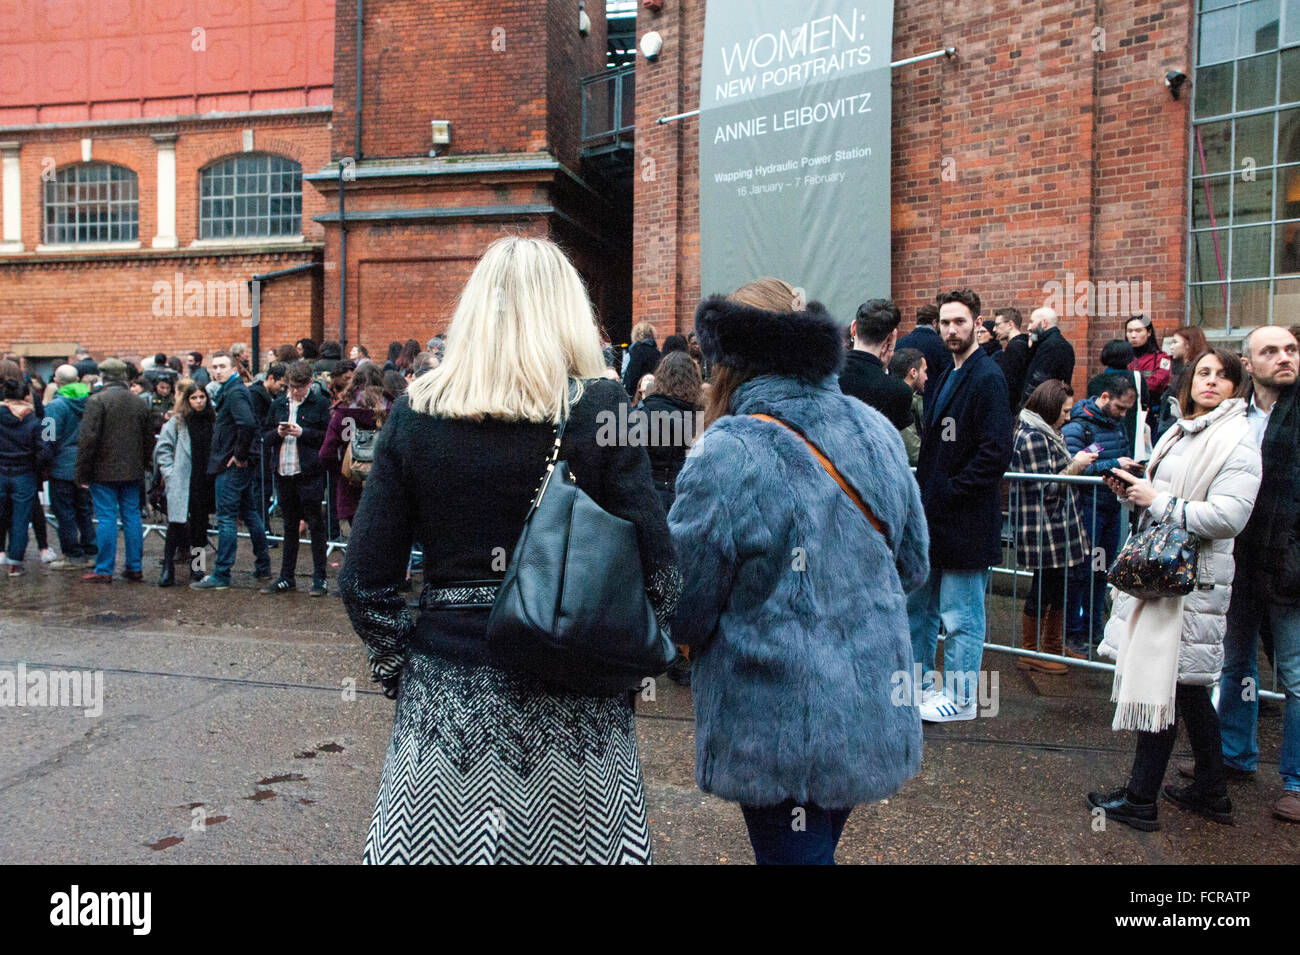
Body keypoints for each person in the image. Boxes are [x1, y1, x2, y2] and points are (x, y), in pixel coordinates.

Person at [340, 236, 679, 864]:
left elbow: (363, 581)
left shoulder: (416, 411)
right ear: (567, 313)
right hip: (578, 707)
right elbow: (661, 575)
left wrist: (401, 668)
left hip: (446, 707)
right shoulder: (605, 407)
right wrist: (621, 660)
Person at [667, 278, 928, 865]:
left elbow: (685, 605)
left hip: (777, 720)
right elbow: (913, 564)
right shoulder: (877, 431)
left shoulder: (727, 451)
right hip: (867, 704)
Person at [1091, 348, 1261, 830]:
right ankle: (1211, 791)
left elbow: (1229, 516)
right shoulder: (1185, 430)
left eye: (1222, 376)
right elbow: (1166, 499)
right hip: (1171, 577)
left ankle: (1141, 799)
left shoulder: (1235, 440)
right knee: (1187, 688)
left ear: (1236, 387)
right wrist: (1136, 488)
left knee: (1162, 680)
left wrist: (1158, 500)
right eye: (1202, 373)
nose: (1210, 382)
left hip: (1192, 582)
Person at [1179, 326, 1300, 823]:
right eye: (1269, 351)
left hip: (1291, 569)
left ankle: (1296, 779)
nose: (1284, 358)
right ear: (1248, 364)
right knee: (1235, 664)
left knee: (1295, 673)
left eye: (1291, 350)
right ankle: (1234, 754)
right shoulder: (1236, 417)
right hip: (1240, 564)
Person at [908, 288, 1013, 722]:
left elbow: (995, 452)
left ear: (977, 323)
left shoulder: (987, 376)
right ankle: (919, 688)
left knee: (961, 614)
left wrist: (950, 491)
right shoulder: (948, 376)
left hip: (966, 520)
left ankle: (963, 698)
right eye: (945, 323)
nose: (952, 330)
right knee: (925, 609)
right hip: (940, 518)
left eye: (960, 322)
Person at [1010, 380, 1097, 673]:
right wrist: (1077, 465)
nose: (1068, 417)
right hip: (1044, 525)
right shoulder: (1032, 436)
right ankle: (1030, 649)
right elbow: (1047, 487)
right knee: (1044, 587)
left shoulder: (1046, 431)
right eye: (1065, 410)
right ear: (1049, 407)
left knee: (1057, 585)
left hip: (1055, 524)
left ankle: (1051, 645)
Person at [1061, 373, 1139, 655]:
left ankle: (1094, 629)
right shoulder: (1079, 426)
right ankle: (1074, 632)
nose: (1123, 414)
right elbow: (1073, 466)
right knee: (1082, 572)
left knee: (1100, 571)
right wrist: (1114, 464)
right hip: (1088, 507)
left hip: (1109, 506)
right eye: (1120, 407)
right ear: (1104, 397)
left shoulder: (1116, 425)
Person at [192, 351, 272, 590]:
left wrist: (239, 455)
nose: (217, 371)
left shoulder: (235, 391)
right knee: (249, 513)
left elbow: (247, 423)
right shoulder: (232, 389)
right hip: (235, 463)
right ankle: (263, 564)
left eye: (222, 366)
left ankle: (222, 573)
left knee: (226, 517)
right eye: (214, 367)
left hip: (231, 465)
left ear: (232, 368)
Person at [75, 358, 152, 583]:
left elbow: (88, 439)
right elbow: (148, 438)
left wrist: (81, 472)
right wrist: (145, 463)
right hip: (133, 469)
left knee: (107, 517)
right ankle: (134, 567)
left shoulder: (97, 401)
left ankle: (104, 569)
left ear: (103, 377)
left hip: (103, 470)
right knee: (132, 516)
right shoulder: (139, 402)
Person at [262, 361, 331, 596]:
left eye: (298, 387)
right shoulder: (278, 404)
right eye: (290, 386)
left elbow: (327, 437)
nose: (293, 391)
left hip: (309, 473)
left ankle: (320, 578)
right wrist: (277, 433)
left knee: (315, 525)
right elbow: (264, 435)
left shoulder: (321, 404)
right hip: (284, 472)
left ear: (309, 384)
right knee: (289, 526)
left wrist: (304, 432)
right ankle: (285, 577)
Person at [153, 381, 216, 586]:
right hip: (182, 479)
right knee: (176, 524)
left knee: (200, 526)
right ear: (187, 400)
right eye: (194, 398)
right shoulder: (177, 422)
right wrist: (169, 474)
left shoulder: (212, 420)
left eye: (201, 397)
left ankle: (197, 568)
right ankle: (167, 568)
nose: (198, 402)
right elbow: (163, 449)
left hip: (204, 479)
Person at [319, 363, 389, 535]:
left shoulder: (343, 412)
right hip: (385, 485)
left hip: (352, 485)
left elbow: (325, 454)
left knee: (358, 546)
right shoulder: (392, 409)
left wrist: (343, 470)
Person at [43, 364, 97, 569]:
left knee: (64, 512)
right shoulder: (90, 401)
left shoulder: (55, 406)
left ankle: (72, 554)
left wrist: (44, 462)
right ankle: (91, 550)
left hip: (62, 465)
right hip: (85, 464)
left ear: (56, 382)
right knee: (84, 510)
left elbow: (47, 437)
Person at [0, 372, 52, 576]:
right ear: (26, 398)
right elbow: (45, 450)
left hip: (1, 472)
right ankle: (15, 563)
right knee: (21, 519)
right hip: (24, 474)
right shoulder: (34, 421)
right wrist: (36, 466)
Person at [838, 298, 915, 432]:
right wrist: (883, 370)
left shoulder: (825, 376)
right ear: (891, 338)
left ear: (854, 328)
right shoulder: (900, 392)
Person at [1091, 339, 1150, 451]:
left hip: (1103, 438)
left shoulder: (1095, 382)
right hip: (1133, 434)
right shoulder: (1137, 378)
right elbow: (1145, 404)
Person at [1154, 325, 1209, 440]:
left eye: (1175, 342)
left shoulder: (1190, 372)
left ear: (1188, 345)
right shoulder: (1184, 370)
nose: (1171, 347)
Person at [896, 303, 951, 415]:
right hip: (931, 407)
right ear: (935, 322)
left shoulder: (899, 343)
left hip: (901, 407)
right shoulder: (942, 345)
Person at [1019, 306, 1075, 407]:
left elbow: (1038, 383)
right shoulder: (1052, 344)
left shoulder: (1051, 346)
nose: (1029, 327)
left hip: (1042, 410)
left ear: (1044, 323)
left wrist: (1025, 408)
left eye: (1032, 322)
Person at [1126, 314, 1172, 430]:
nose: (1133, 335)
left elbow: (1157, 383)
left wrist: (1129, 383)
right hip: (1125, 411)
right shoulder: (1123, 358)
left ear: (1149, 332)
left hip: (1151, 413)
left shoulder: (1161, 358)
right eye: (1129, 331)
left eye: (1138, 330)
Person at [888, 347, 926, 467]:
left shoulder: (893, 396)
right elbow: (913, 453)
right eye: (924, 371)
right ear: (913, 372)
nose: (927, 377)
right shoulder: (901, 402)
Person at [992, 306, 1031, 412]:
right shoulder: (1024, 344)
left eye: (997, 325)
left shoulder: (1015, 347)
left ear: (1010, 324)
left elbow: (1009, 385)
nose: (994, 329)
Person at [622, 321, 660, 398]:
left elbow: (625, 375)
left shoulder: (631, 354)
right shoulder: (658, 354)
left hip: (635, 396)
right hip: (655, 394)